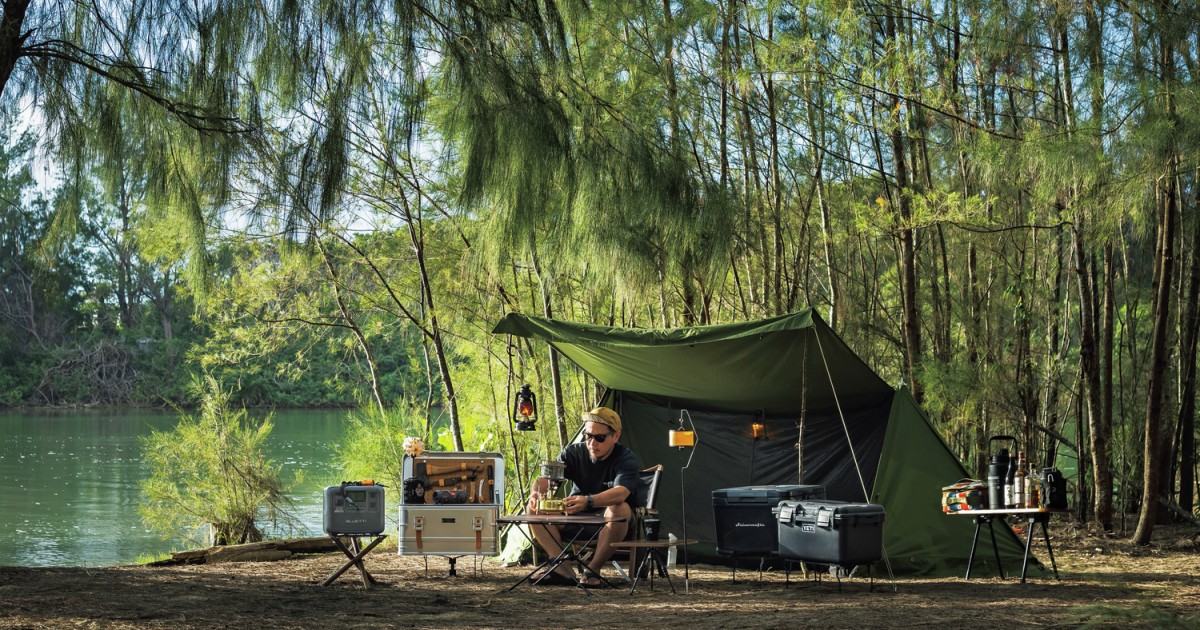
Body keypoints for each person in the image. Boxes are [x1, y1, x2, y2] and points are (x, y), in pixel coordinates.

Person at [527, 406, 639, 587]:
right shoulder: (573, 453)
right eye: (588, 436)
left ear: (616, 436)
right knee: (534, 507)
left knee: (620, 507)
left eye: (599, 438)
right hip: (574, 517)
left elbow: (621, 492)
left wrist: (588, 501)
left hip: (610, 522)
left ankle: (593, 569)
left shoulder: (626, 458)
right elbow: (546, 479)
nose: (592, 443)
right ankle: (561, 568)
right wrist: (535, 492)